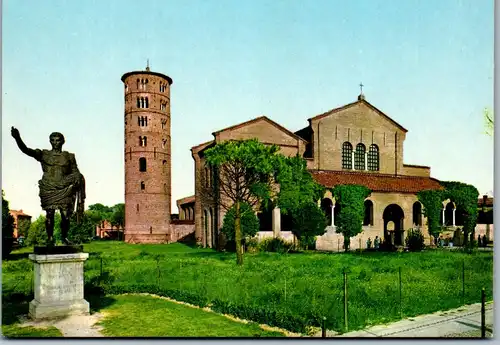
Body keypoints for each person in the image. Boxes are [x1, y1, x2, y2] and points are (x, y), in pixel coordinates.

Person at [11, 127, 85, 245]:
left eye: (58, 140)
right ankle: (50, 239)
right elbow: (26, 150)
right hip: (48, 187)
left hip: (64, 188)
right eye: (53, 140)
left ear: (63, 141)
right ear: (50, 141)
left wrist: (78, 177)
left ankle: (64, 238)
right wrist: (17, 138)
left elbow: (75, 171)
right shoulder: (44, 154)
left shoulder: (69, 156)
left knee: (65, 216)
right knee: (49, 214)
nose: (55, 143)